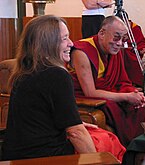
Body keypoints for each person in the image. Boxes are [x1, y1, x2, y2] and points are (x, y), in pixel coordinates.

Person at [2, 15, 125, 161]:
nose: (71, 44)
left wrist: (76, 122)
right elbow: (75, 133)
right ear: (49, 43)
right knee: (107, 139)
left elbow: (39, 118)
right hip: (44, 158)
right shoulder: (57, 74)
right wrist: (97, 162)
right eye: (65, 38)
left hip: (15, 154)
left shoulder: (24, 71)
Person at [67, 16, 145, 146]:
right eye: (116, 37)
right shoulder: (82, 51)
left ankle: (134, 151)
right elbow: (90, 92)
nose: (120, 43)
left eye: (123, 39)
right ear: (102, 33)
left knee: (138, 105)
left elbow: (121, 81)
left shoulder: (114, 51)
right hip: (84, 96)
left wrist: (133, 93)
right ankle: (122, 150)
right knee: (113, 106)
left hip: (105, 92)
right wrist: (126, 96)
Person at [117, 12, 145, 87]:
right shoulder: (115, 27)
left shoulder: (134, 27)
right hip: (118, 51)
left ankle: (135, 84)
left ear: (127, 20)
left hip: (132, 51)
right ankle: (119, 83)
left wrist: (141, 48)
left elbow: (141, 42)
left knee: (134, 59)